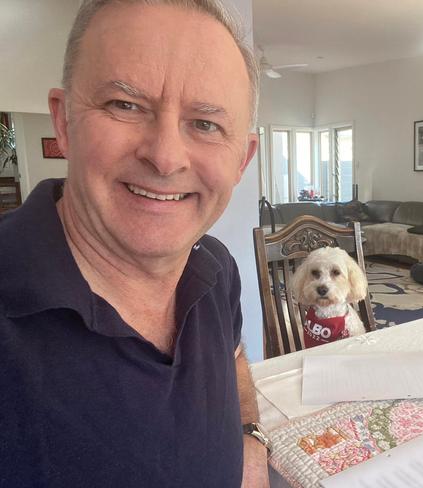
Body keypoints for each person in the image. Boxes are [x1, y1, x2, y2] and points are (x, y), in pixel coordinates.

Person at [0, 0, 270, 486]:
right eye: (125, 105)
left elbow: (231, 356)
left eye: (206, 123)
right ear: (64, 123)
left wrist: (248, 437)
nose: (165, 157)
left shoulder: (214, 266)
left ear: (242, 159)